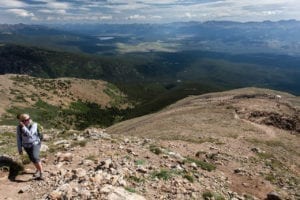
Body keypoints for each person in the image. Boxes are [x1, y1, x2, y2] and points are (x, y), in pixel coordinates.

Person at [16, 113, 43, 180]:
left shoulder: (34, 124)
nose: (28, 120)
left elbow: (30, 134)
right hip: (26, 146)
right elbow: (18, 138)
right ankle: (38, 169)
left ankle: (41, 173)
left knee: (35, 157)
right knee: (32, 159)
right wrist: (20, 149)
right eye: (26, 120)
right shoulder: (19, 127)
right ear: (22, 121)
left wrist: (23, 127)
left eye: (28, 119)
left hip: (35, 143)